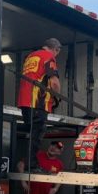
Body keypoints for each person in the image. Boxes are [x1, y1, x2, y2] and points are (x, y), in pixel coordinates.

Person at [18, 38, 62, 173]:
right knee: (37, 134)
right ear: (56, 49)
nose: (56, 56)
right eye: (57, 53)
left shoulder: (30, 57)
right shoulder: (48, 57)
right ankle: (31, 165)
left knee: (32, 134)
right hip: (38, 102)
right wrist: (57, 97)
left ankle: (29, 163)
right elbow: (54, 82)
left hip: (24, 101)